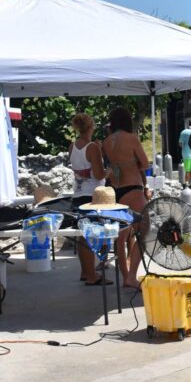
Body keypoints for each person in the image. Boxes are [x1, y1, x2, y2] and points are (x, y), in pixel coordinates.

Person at [102, 107, 151, 290]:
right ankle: (131, 276)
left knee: (120, 237)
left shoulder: (106, 142)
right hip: (133, 189)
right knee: (143, 232)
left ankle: (125, 276)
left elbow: (111, 167)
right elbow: (145, 164)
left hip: (116, 189)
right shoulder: (132, 139)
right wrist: (132, 164)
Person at [66, 113, 110, 285]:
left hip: (77, 194)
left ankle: (86, 272)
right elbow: (98, 174)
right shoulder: (92, 147)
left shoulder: (72, 146)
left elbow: (79, 167)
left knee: (82, 235)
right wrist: (109, 171)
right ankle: (92, 275)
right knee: (90, 235)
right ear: (91, 127)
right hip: (92, 195)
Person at [178, 117, 191, 188]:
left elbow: (180, 144)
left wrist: (184, 147)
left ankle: (188, 184)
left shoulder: (183, 132)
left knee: (188, 170)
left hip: (185, 153)